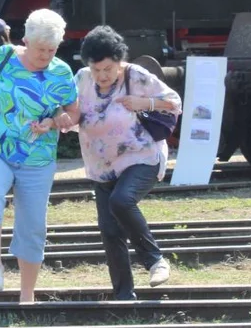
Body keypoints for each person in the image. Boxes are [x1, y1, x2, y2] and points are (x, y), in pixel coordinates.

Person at [0, 8, 79, 302]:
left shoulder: (62, 73)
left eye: (51, 50)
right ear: (26, 40)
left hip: (37, 158)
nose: (45, 56)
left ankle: (27, 295)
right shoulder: (3, 57)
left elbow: (74, 112)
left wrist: (56, 121)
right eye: (40, 50)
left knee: (33, 226)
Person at [74, 25, 182, 300]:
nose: (102, 76)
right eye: (96, 70)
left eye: (108, 69)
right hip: (101, 165)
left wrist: (143, 102)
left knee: (121, 201)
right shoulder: (82, 80)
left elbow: (174, 102)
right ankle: (123, 295)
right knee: (110, 231)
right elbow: (72, 112)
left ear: (119, 61)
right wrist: (60, 119)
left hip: (142, 156)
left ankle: (155, 260)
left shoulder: (137, 75)